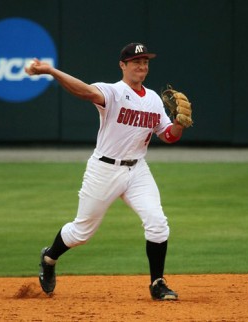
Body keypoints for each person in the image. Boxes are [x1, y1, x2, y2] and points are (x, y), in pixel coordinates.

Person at [25, 42, 189, 300]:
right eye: (136, 62)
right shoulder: (113, 92)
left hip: (138, 170)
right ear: (123, 65)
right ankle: (49, 257)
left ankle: (158, 284)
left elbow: (168, 135)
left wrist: (179, 124)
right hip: (104, 169)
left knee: (157, 223)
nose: (142, 66)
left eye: (145, 62)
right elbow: (86, 92)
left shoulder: (155, 100)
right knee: (81, 233)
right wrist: (51, 71)